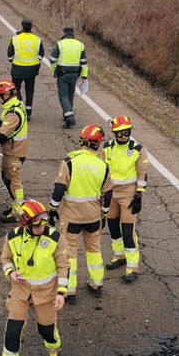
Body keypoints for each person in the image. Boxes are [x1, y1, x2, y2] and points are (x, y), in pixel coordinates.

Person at [0, 199, 68, 356]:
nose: (42, 227)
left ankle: (54, 348)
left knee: (46, 330)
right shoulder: (12, 238)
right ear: (24, 224)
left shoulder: (55, 238)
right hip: (20, 292)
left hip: (46, 294)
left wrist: (61, 292)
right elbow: (5, 259)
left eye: (44, 223)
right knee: (12, 332)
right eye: (37, 225)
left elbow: (63, 266)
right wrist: (10, 273)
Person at [48, 124, 111, 304]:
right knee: (94, 250)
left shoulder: (69, 162)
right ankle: (96, 285)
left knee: (70, 254)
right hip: (93, 217)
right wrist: (104, 214)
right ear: (98, 144)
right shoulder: (103, 166)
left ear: (81, 141)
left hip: (72, 218)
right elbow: (108, 194)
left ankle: (70, 291)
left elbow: (59, 189)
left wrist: (52, 209)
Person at [101, 115, 149, 282]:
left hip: (129, 194)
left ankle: (132, 266)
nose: (124, 136)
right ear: (114, 133)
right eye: (120, 133)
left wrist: (139, 195)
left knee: (128, 231)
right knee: (113, 227)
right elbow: (102, 170)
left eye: (126, 132)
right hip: (111, 193)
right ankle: (119, 255)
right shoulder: (106, 148)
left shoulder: (137, 150)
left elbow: (142, 173)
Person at [0, 80, 28, 221]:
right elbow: (6, 125)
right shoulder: (14, 105)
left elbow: (2, 134)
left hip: (15, 152)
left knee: (14, 183)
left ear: (6, 95)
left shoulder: (13, 113)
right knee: (6, 178)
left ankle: (19, 213)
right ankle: (15, 207)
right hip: (11, 151)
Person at [49, 27, 88, 129]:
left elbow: (53, 59)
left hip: (63, 73)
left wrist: (54, 70)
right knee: (70, 94)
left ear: (64, 33)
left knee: (63, 95)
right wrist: (84, 75)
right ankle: (67, 114)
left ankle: (69, 116)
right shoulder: (80, 45)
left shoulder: (60, 44)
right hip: (75, 74)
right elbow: (84, 62)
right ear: (73, 34)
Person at [7, 19, 43, 120]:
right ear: (31, 27)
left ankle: (20, 107)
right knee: (29, 90)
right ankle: (28, 113)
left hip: (18, 68)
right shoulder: (37, 39)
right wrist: (34, 61)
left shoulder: (16, 38)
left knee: (15, 89)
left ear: (22, 26)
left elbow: (10, 54)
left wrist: (12, 61)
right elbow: (41, 55)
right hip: (32, 69)